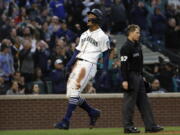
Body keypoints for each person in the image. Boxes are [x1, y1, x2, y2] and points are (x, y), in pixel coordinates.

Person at [54, 8, 110, 129]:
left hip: (89, 64)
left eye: (91, 16)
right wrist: (68, 65)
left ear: (97, 19)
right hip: (79, 64)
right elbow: (77, 51)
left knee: (74, 91)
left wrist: (105, 70)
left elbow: (106, 55)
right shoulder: (84, 34)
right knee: (71, 94)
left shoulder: (102, 36)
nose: (88, 17)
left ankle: (66, 121)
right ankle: (92, 112)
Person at [120, 24, 164, 133]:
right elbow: (123, 65)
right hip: (130, 76)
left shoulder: (137, 46)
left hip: (138, 76)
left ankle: (150, 126)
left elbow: (139, 64)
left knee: (145, 102)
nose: (139, 35)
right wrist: (125, 80)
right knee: (129, 103)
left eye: (139, 32)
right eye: (137, 32)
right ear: (130, 33)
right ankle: (128, 127)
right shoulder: (125, 48)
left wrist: (142, 77)